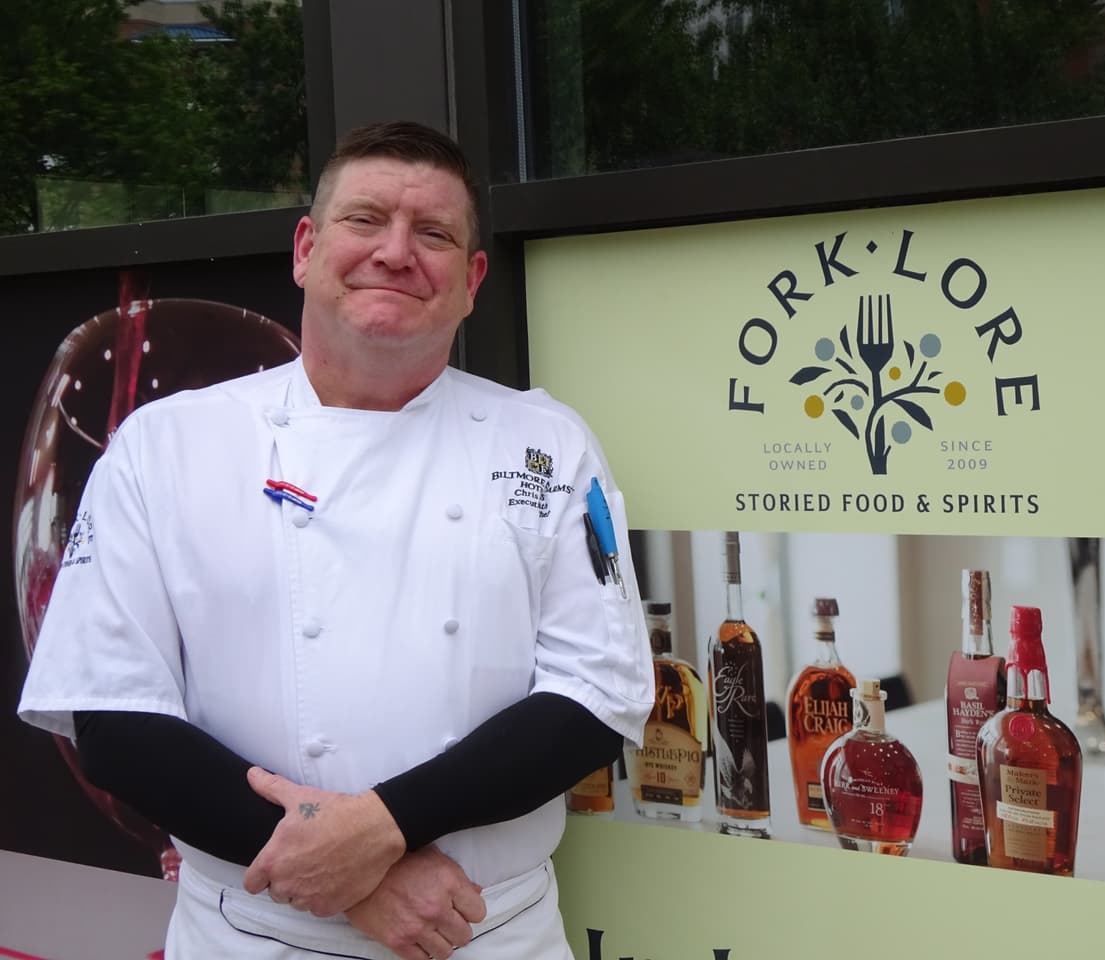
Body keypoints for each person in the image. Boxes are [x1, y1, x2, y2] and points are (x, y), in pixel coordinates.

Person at [18, 120, 654, 960]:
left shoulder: (545, 444)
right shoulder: (164, 444)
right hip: (252, 937)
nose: (395, 252)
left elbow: (593, 700)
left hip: (486, 935)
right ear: (306, 249)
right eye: (365, 220)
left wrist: (382, 827)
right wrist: (360, 880)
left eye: (433, 234)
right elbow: (114, 718)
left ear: (471, 282)